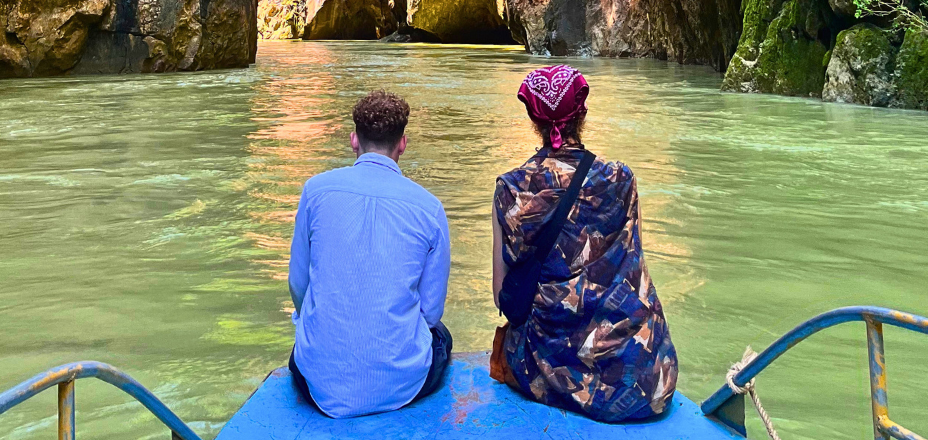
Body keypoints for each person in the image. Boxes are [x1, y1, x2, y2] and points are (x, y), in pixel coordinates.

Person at [490, 65, 678, 422]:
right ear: (584, 114)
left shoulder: (511, 189)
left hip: (547, 373)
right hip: (645, 378)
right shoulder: (621, 179)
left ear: (533, 118)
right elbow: (632, 265)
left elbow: (502, 295)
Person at [287, 89, 453, 418]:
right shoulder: (429, 209)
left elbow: (298, 284)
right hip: (402, 385)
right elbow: (431, 313)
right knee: (442, 337)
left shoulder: (315, 191)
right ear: (402, 144)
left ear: (353, 140)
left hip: (318, 384)